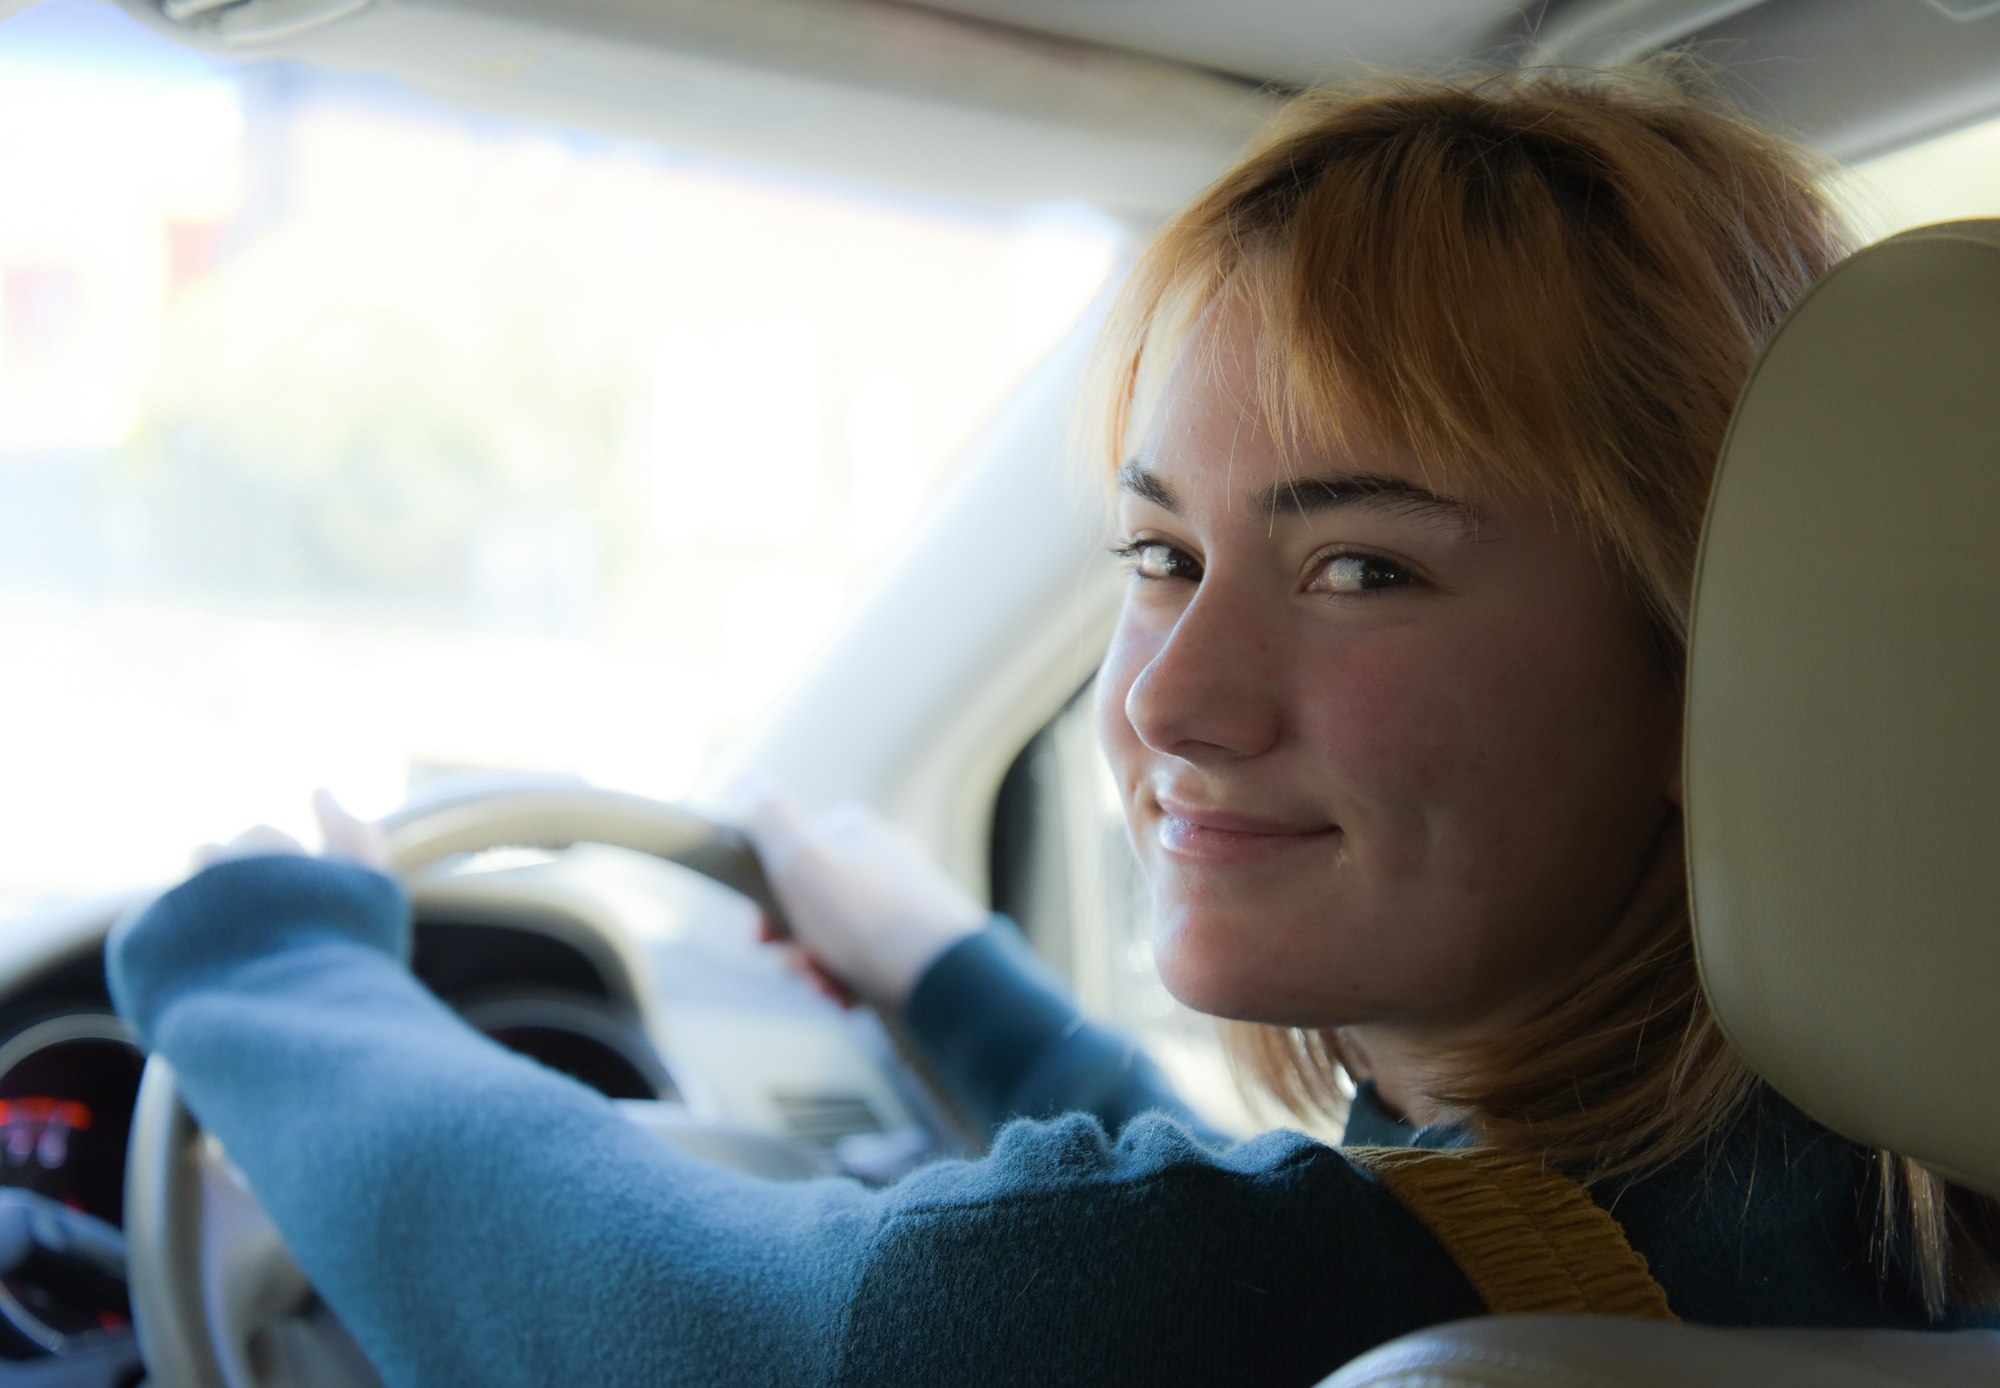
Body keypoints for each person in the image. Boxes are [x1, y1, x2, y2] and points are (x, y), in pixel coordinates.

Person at [107, 65, 2000, 1388]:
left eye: (1361, 571)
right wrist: (949, 976)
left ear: (1713, 661)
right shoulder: (1860, 1227)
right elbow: (1346, 1245)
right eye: (1160, 551)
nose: (1168, 697)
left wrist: (263, 962)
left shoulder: (1194, 1300)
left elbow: (648, 1317)